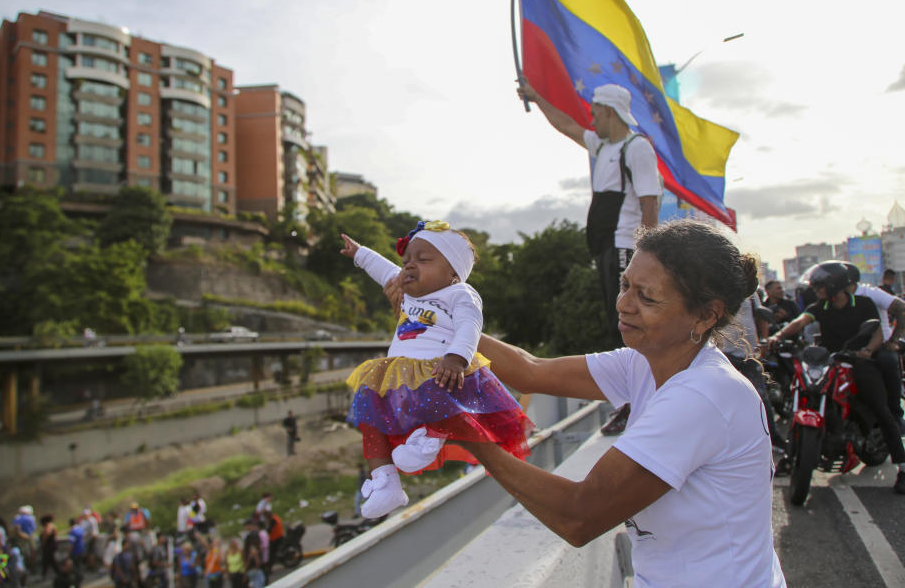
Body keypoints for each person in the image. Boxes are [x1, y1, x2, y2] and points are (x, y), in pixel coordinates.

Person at [384, 221, 785, 585]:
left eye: (646, 297)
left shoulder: (702, 395)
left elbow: (580, 515)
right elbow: (531, 370)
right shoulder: (647, 362)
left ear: (705, 315)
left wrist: (470, 436)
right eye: (626, 285)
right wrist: (427, 313)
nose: (624, 304)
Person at [340, 221, 533, 518]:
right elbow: (383, 270)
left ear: (453, 272)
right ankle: (385, 481)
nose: (409, 267)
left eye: (423, 260)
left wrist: (456, 358)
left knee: (434, 398)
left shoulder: (460, 294)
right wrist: (359, 253)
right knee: (370, 416)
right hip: (395, 373)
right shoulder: (407, 292)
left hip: (438, 367)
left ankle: (429, 436)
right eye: (406, 262)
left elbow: (469, 326)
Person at [518, 81, 662, 436]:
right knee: (616, 326)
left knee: (630, 326)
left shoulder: (636, 147)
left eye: (596, 110)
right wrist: (538, 98)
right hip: (607, 250)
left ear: (610, 111)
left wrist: (648, 255)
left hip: (628, 248)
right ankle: (631, 401)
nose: (591, 117)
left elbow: (649, 202)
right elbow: (567, 126)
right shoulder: (602, 145)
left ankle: (641, 403)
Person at [768, 261, 905, 494]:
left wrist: (868, 350)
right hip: (830, 363)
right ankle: (793, 454)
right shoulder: (821, 306)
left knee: (881, 410)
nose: (817, 290)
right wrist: (778, 335)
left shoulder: (863, 303)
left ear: (834, 284)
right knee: (802, 392)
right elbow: (801, 321)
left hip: (859, 363)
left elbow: (877, 331)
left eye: (820, 286)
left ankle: (902, 467)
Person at [838, 260, 905, 434]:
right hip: (849, 350)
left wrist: (894, 340)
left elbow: (901, 308)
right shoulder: (833, 300)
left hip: (879, 347)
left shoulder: (870, 293)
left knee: (887, 361)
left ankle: (895, 417)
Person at [723, 290, 787, 450]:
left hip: (747, 355)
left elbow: (760, 316)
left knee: (760, 398)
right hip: (718, 355)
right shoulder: (708, 284)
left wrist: (764, 341)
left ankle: (772, 438)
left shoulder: (748, 289)